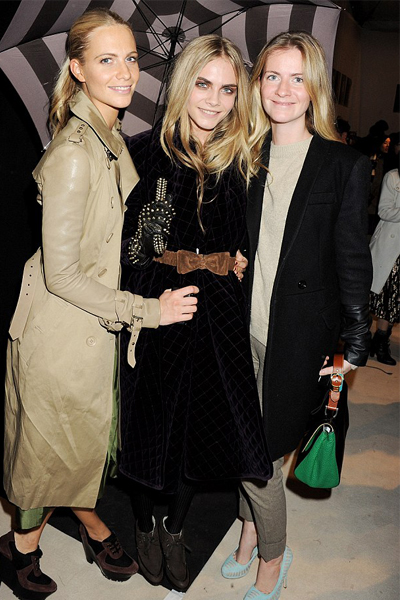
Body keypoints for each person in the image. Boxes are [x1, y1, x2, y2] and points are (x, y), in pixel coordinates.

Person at [0, 8, 198, 600]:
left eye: (131, 58)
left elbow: (113, 237)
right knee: (50, 451)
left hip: (90, 325)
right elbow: (62, 274)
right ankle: (20, 550)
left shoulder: (109, 136)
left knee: (82, 446)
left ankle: (91, 526)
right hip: (61, 332)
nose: (125, 72)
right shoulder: (73, 152)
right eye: (106, 59)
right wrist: (149, 311)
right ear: (78, 69)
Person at [221, 31, 372, 600]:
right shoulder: (246, 158)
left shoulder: (342, 165)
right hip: (243, 327)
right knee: (245, 443)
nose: (283, 90)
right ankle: (247, 531)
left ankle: (272, 556)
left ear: (315, 89)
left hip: (300, 336)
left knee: (259, 455)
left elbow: (353, 260)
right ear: (258, 85)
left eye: (297, 77)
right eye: (272, 76)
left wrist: (355, 344)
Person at [119, 34, 272, 591]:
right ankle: (143, 525)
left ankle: (176, 528)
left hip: (218, 314)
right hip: (161, 312)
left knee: (199, 430)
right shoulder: (145, 154)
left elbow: (241, 238)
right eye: (203, 85)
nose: (215, 100)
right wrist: (150, 307)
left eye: (228, 90)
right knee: (148, 427)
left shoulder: (239, 162)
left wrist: (236, 260)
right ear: (184, 84)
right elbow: (130, 251)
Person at [369, 156, 400, 365]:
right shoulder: (393, 177)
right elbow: (384, 210)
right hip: (391, 249)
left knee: (395, 301)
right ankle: (376, 343)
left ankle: (379, 341)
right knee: (386, 299)